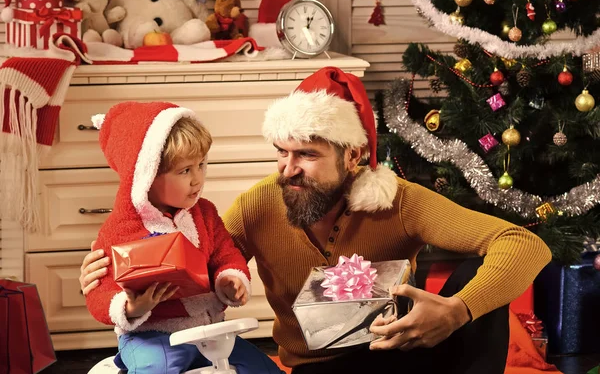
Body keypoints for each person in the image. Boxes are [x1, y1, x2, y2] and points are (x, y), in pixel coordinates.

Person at [80, 68, 552, 374]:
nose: (287, 168)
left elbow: (526, 244)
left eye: (306, 154)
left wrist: (459, 309)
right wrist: (116, 276)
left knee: (475, 282)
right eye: (281, 152)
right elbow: (197, 261)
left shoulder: (400, 200)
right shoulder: (257, 205)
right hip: (317, 368)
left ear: (353, 156)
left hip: (393, 352)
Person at [84, 102, 281, 374]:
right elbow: (98, 293)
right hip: (152, 337)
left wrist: (229, 278)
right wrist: (130, 308)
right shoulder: (120, 230)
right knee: (158, 369)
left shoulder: (205, 213)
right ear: (146, 176)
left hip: (209, 332)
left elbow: (225, 253)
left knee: (262, 368)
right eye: (184, 171)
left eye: (201, 165)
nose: (197, 179)